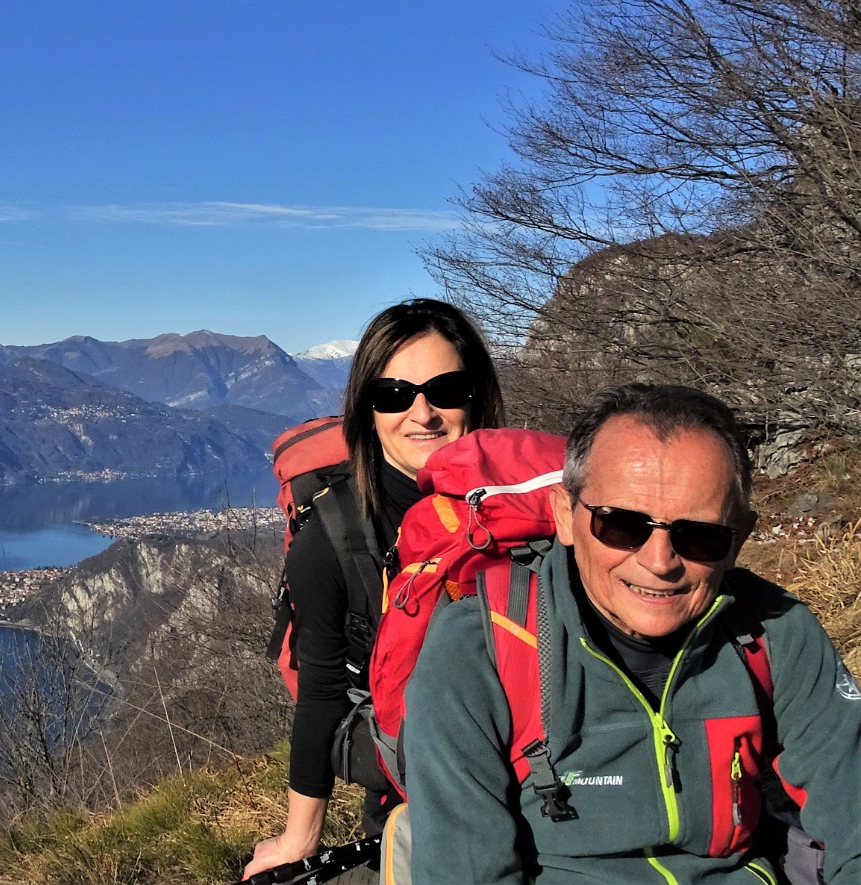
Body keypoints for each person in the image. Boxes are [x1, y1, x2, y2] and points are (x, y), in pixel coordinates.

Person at [403, 383, 861, 884]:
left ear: (739, 538)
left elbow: (851, 812)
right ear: (565, 516)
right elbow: (466, 871)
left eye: (700, 534)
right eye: (620, 524)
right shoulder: (480, 649)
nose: (659, 562)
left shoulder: (775, 630)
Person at [244, 299, 504, 882]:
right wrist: (298, 840)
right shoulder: (335, 536)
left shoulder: (526, 508)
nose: (423, 413)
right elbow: (321, 692)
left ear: (477, 397)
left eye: (446, 389)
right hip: (412, 779)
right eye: (394, 394)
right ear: (366, 410)